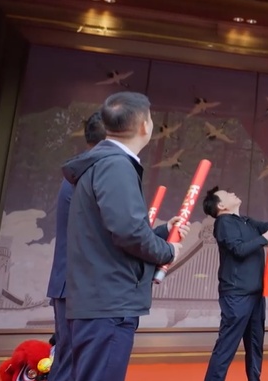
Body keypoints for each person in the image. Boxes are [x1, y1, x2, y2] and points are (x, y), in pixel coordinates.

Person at [62, 91, 189, 381]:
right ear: (144, 125)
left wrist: (160, 233)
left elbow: (112, 230)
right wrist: (168, 251)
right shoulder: (116, 165)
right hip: (108, 302)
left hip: (100, 299)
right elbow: (128, 232)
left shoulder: (103, 162)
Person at [202, 183, 268, 381]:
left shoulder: (246, 221)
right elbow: (238, 249)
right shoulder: (223, 223)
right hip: (236, 294)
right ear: (221, 206)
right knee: (227, 346)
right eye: (227, 193)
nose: (233, 192)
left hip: (256, 293)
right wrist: (265, 237)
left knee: (255, 344)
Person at [45, 111, 105, 381]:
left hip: (74, 284)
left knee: (70, 359)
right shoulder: (87, 173)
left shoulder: (82, 170)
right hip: (78, 285)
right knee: (71, 362)